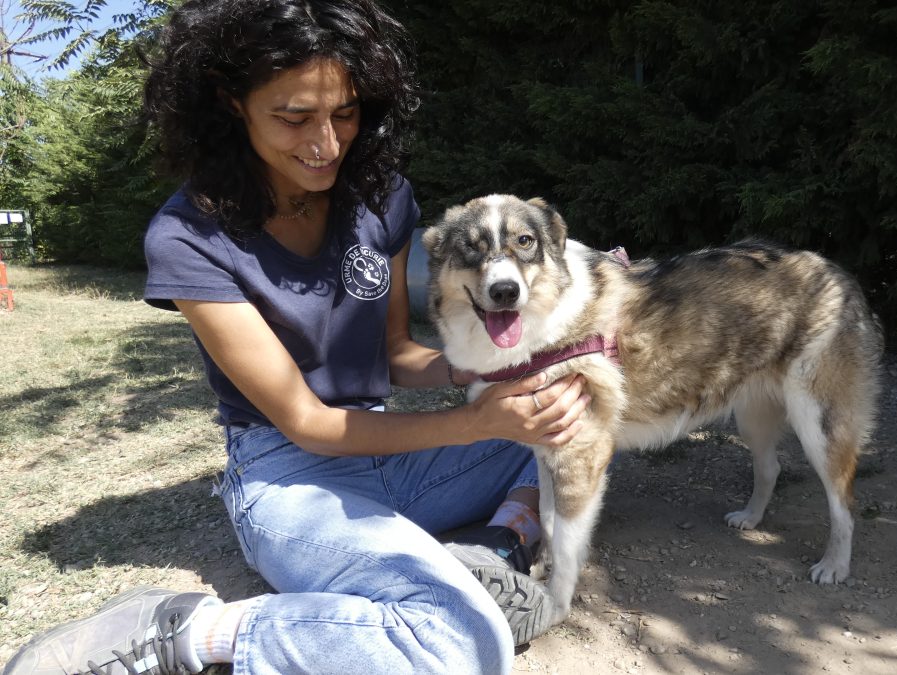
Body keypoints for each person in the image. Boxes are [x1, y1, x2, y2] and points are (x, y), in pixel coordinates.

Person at [2, 1, 590, 674]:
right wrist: (475, 420)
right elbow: (307, 422)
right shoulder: (188, 238)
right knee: (463, 643)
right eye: (293, 118)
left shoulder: (380, 196)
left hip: (385, 453)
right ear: (232, 104)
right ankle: (189, 631)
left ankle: (500, 546)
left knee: (574, 414)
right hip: (287, 475)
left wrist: (498, 366)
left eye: (344, 113)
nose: (328, 142)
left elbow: (397, 354)